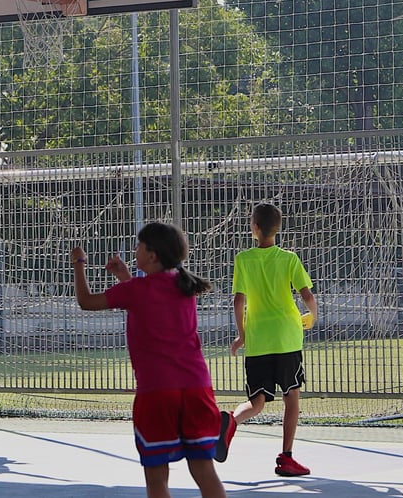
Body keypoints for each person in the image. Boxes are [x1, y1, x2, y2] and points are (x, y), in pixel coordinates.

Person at [71, 222, 226, 498]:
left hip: (157, 392)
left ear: (152, 255)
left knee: (157, 479)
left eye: (139, 246)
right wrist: (125, 277)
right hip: (197, 389)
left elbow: (86, 301)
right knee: (204, 472)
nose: (135, 249)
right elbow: (150, 301)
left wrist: (78, 263)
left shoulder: (136, 290)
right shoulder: (184, 287)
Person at [215, 202, 318, 477]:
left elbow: (238, 301)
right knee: (291, 395)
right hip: (286, 337)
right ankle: (287, 457)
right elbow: (307, 295)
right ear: (278, 228)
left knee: (257, 401)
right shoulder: (289, 259)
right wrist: (313, 315)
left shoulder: (243, 259)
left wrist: (242, 335)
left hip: (258, 339)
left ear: (254, 227)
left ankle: (231, 420)